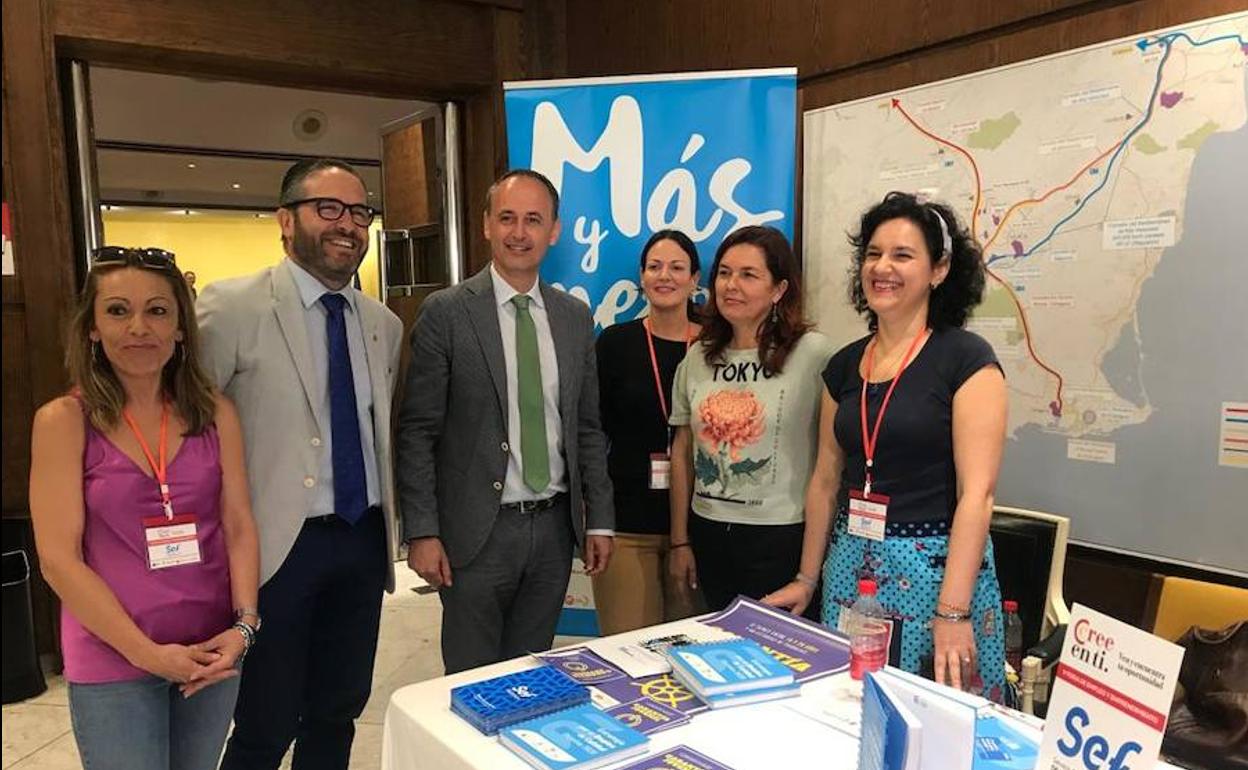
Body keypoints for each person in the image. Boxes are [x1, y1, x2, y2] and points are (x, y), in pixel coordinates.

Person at [197, 159, 404, 769]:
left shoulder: (383, 325)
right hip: (274, 548)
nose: (348, 225)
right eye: (329, 208)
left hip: (361, 541)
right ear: (285, 220)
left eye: (360, 212)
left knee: (337, 710)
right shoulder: (232, 306)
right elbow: (190, 428)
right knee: (265, 718)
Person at [29, 245, 260, 770]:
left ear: (181, 328)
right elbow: (58, 560)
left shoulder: (215, 413)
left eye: (157, 310)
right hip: (114, 654)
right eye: (117, 311)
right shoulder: (63, 422)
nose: (139, 327)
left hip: (210, 651)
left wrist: (243, 627)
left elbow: (239, 524)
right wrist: (147, 654)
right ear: (91, 328)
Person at [398, 169, 614, 674]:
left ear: (554, 230)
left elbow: (586, 427)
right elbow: (417, 431)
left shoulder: (573, 317)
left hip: (553, 529)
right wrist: (422, 531)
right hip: (476, 532)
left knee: (531, 673)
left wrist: (598, 517)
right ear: (487, 226)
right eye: (508, 218)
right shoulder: (447, 313)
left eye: (534, 220)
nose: (520, 232)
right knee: (472, 677)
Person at [814, 191, 1008, 699]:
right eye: (874, 254)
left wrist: (953, 611)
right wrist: (806, 576)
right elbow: (825, 479)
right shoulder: (842, 365)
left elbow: (978, 495)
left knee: (933, 718)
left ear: (938, 270)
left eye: (903, 255)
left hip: (936, 574)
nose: (883, 267)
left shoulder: (966, 359)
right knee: (849, 708)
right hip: (852, 570)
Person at [668, 225, 833, 616]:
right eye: (724, 273)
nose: (731, 285)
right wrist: (680, 541)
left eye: (748, 275)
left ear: (779, 289)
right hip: (708, 533)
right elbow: (682, 451)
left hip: (782, 538)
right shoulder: (698, 357)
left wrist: (809, 572)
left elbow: (831, 463)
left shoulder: (813, 354)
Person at [593, 229, 703, 635]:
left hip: (700, 528)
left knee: (691, 656)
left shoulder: (715, 347)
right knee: (626, 653)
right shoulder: (615, 343)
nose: (665, 276)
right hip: (627, 524)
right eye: (654, 267)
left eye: (677, 267)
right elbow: (592, 430)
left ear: (694, 280)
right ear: (641, 276)